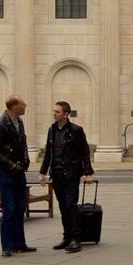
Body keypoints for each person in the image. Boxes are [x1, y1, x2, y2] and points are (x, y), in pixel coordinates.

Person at [39, 102, 96, 253]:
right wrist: (42, 172)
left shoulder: (76, 130)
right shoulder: (52, 130)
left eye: (57, 112)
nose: (54, 114)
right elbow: (48, 152)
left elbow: (84, 152)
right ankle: (67, 236)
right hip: (56, 174)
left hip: (71, 173)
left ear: (65, 114)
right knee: (63, 206)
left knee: (71, 205)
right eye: (54, 111)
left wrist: (88, 173)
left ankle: (76, 238)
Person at [0, 96, 36, 257]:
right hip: (5, 173)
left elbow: (23, 144)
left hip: (18, 172)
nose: (25, 105)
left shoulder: (19, 122)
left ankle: (19, 243)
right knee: (9, 209)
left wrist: (25, 161)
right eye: (22, 104)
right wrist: (11, 164)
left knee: (20, 208)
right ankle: (6, 246)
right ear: (14, 107)